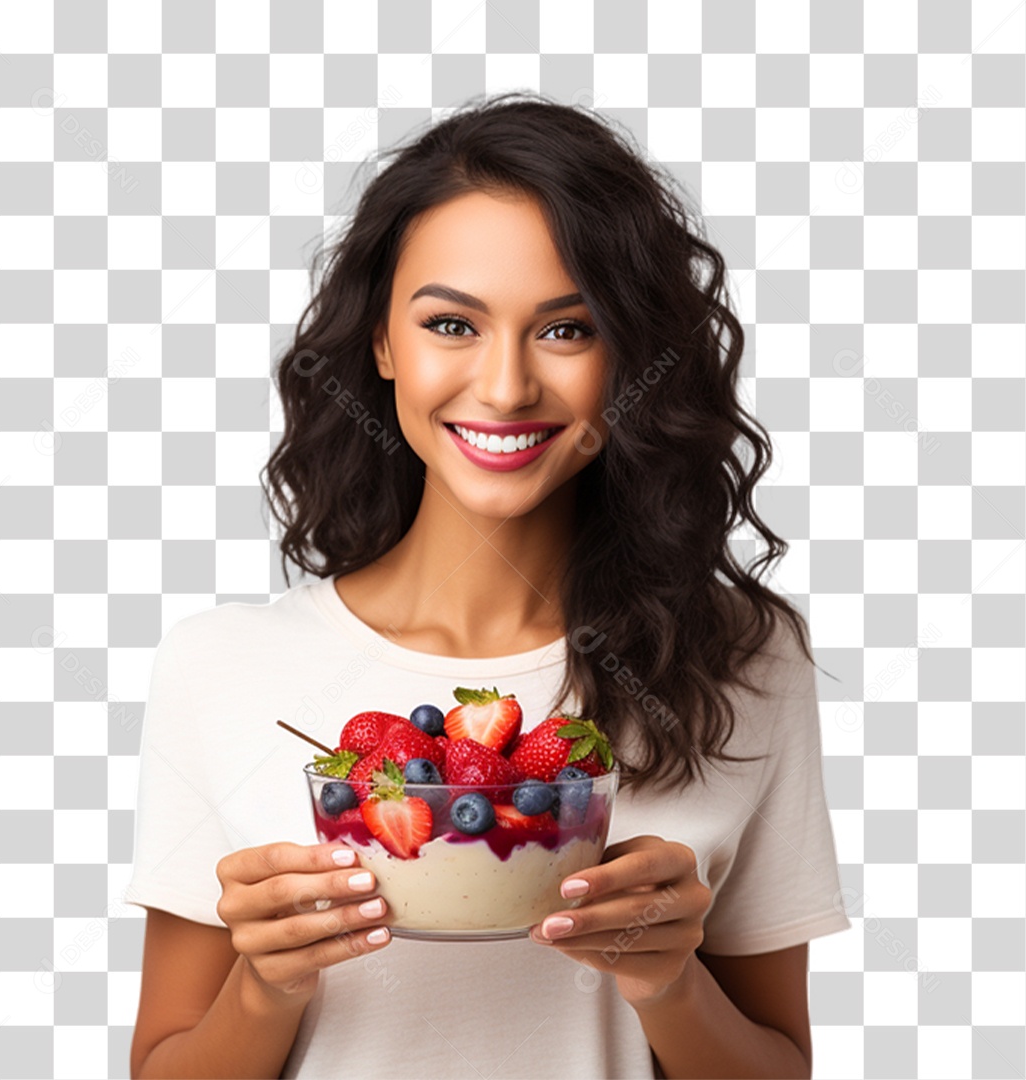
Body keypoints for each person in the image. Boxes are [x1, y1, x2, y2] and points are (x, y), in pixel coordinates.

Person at [125, 91, 849, 1079]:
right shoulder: (220, 666)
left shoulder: (742, 658)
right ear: (383, 342)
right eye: (452, 324)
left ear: (629, 353)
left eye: (566, 330)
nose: (505, 387)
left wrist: (668, 980)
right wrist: (268, 986)